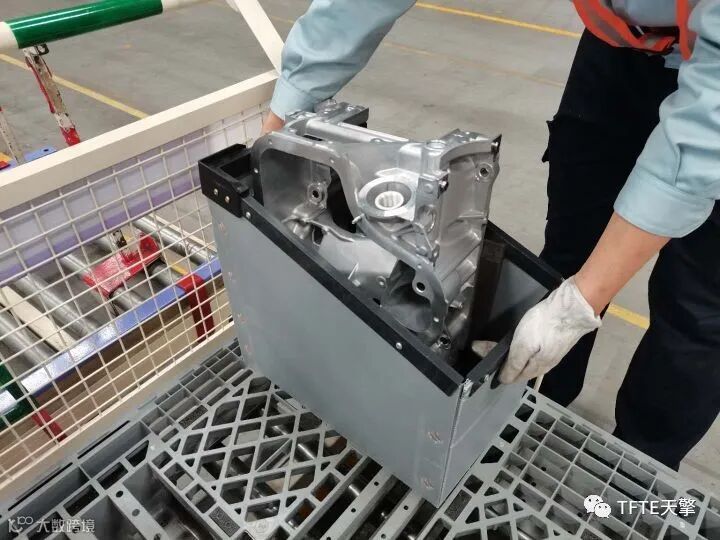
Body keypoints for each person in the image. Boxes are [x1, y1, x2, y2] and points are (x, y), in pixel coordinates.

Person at [260, 0, 720, 471]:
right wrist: (278, 132)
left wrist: (581, 302)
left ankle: (641, 474)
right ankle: (525, 414)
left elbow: (704, 138)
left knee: (698, 314)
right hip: (617, 49)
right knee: (565, 257)